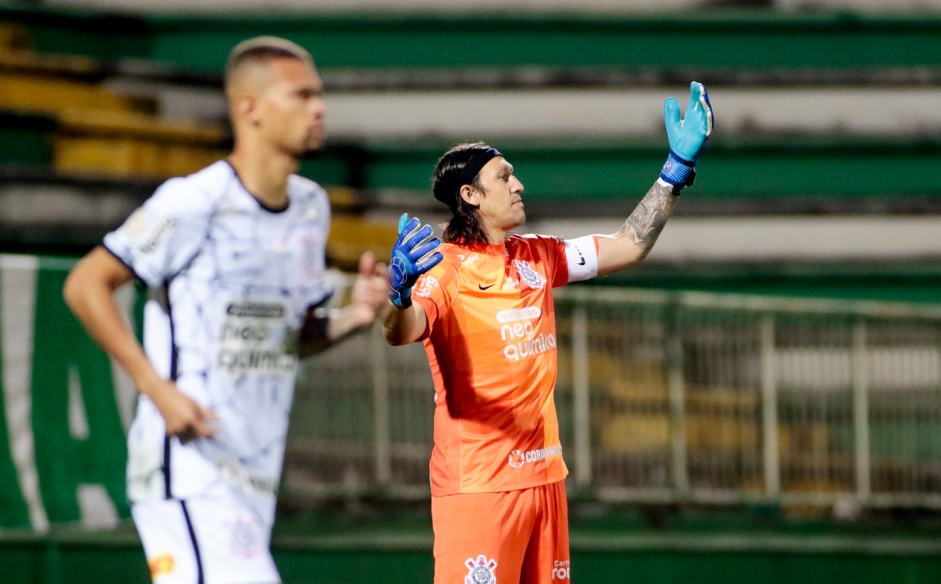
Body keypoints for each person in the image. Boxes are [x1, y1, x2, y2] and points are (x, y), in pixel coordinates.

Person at [63, 36, 389, 584]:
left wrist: (353, 318)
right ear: (250, 108)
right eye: (302, 95)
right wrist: (155, 387)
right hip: (188, 465)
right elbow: (85, 284)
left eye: (320, 94)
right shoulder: (196, 201)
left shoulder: (310, 206)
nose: (319, 107)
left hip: (254, 470)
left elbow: (293, 337)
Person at [382, 82, 713, 584]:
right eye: (504, 176)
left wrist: (674, 173)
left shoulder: (538, 253)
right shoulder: (442, 271)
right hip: (480, 486)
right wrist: (398, 296)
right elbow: (403, 330)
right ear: (469, 195)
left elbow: (627, 246)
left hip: (545, 478)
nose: (518, 185)